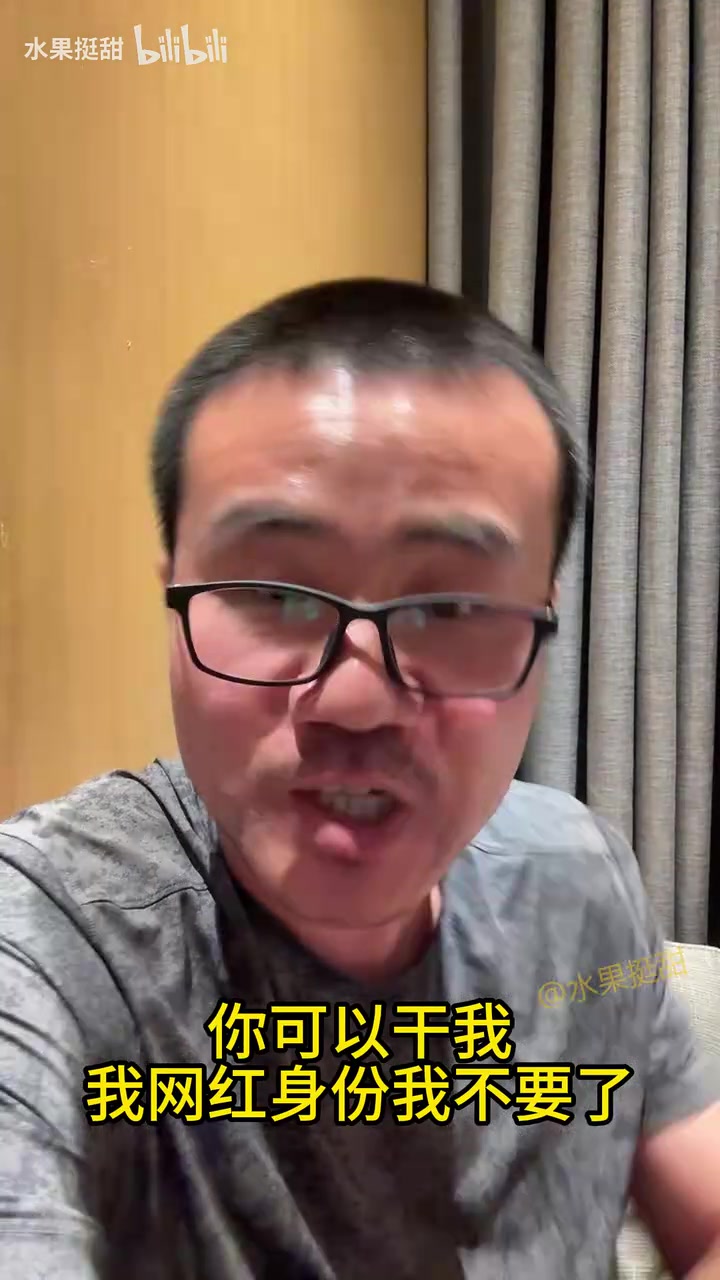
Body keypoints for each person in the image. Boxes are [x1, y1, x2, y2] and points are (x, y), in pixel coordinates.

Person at [1, 279, 719, 1280]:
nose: (355, 699)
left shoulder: (576, 875)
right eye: (274, 591)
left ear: (544, 622)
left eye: (452, 605)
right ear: (174, 593)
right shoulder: (54, 937)